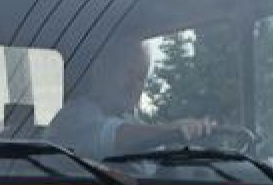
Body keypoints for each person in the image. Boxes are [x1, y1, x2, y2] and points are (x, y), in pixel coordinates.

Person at [46, 35, 217, 160]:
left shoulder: (131, 120)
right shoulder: (74, 115)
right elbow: (113, 136)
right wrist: (173, 129)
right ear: (101, 72)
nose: (135, 85)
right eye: (129, 73)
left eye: (140, 77)